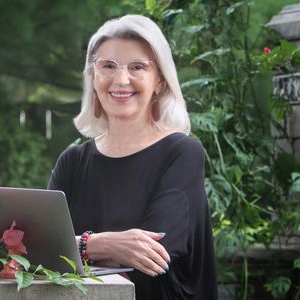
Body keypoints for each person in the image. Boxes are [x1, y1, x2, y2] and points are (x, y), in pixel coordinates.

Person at [48, 15, 217, 299]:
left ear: (160, 81)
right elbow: (38, 249)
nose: (121, 79)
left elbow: (150, 257)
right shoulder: (72, 161)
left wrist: (74, 247)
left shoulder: (182, 153)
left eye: (137, 67)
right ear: (93, 77)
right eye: (108, 66)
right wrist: (104, 244)